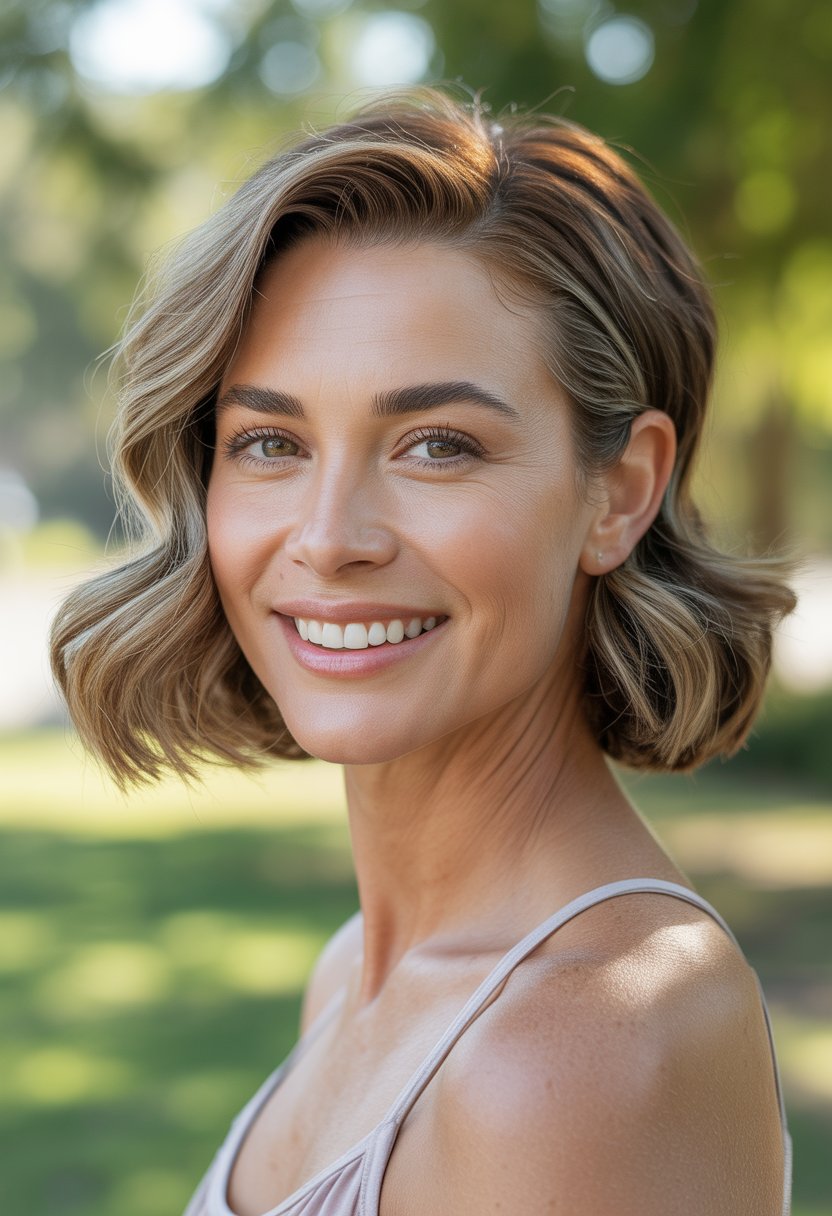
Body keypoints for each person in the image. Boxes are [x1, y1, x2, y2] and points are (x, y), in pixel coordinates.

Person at [51, 86, 795, 1215]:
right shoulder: (353, 970)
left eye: (437, 445)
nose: (330, 537)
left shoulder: (573, 1051)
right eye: (269, 441)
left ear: (619, 491)